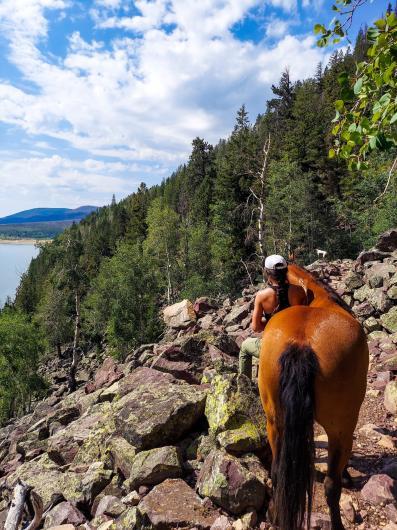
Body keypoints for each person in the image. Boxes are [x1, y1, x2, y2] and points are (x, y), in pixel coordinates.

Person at [238, 254, 307, 379]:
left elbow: (256, 327)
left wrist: (271, 321)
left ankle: (245, 386)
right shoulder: (299, 291)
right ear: (286, 271)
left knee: (245, 346)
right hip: (297, 343)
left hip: (276, 346)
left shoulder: (262, 296)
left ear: (267, 273)